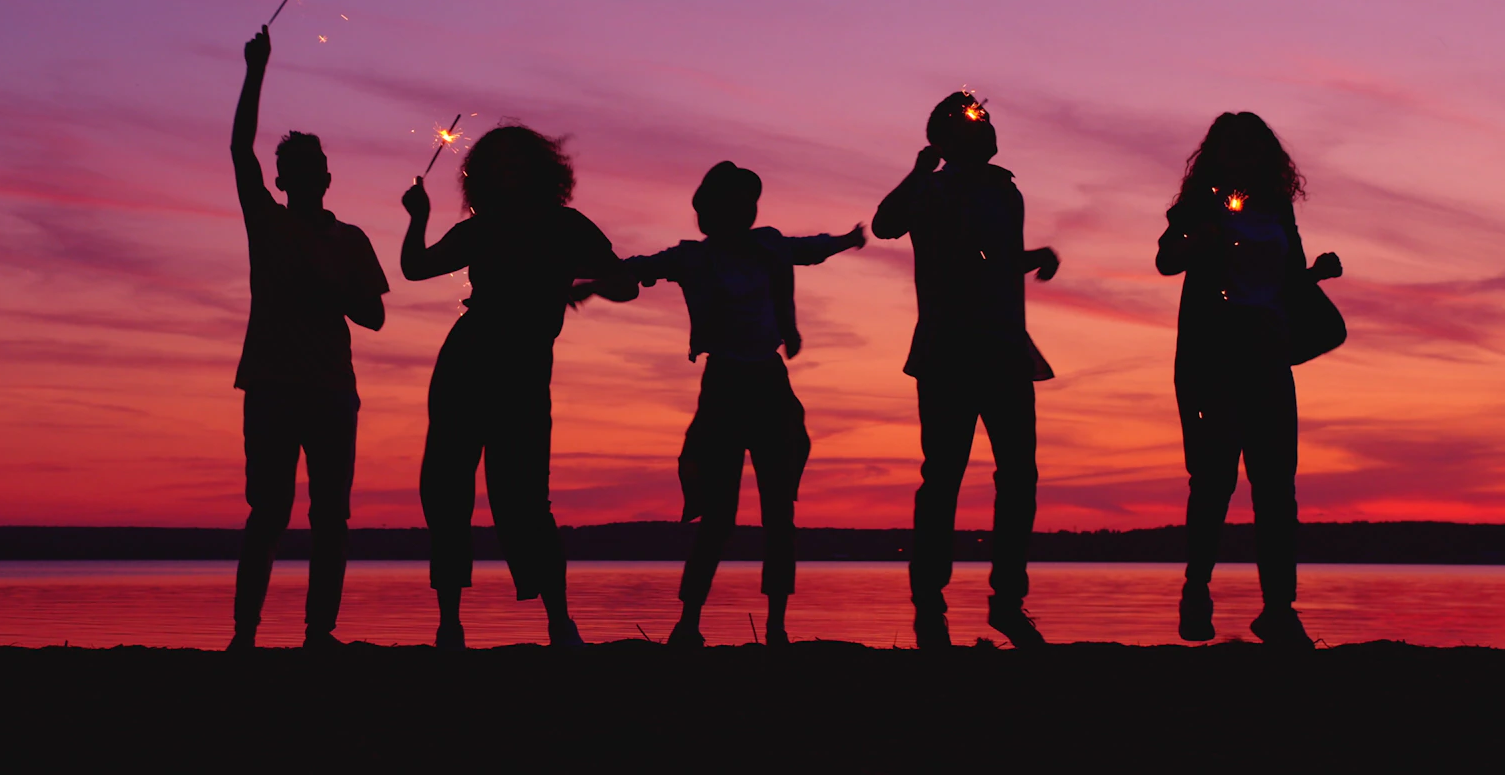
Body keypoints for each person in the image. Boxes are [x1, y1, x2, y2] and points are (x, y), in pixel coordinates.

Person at [400, 125, 637, 648]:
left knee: (526, 497)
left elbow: (626, 284)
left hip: (524, 372)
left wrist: (592, 282)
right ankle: (449, 626)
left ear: (538, 167)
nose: (507, 167)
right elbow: (415, 268)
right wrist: (416, 219)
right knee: (447, 490)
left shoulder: (566, 226)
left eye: (516, 158)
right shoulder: (480, 229)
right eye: (497, 160)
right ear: (483, 175)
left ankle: (560, 623)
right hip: (465, 363)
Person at [624, 162, 865, 647]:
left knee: (779, 512)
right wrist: (583, 279)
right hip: (725, 387)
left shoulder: (770, 245)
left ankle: (776, 627)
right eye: (728, 203)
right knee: (719, 514)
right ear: (709, 211)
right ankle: (689, 622)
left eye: (746, 202)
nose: (741, 211)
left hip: (768, 385)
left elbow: (809, 249)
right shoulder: (693, 259)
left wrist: (845, 239)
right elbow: (637, 269)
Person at [873, 91, 1060, 649]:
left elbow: (991, 261)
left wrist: (1033, 258)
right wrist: (916, 172)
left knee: (1019, 478)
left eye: (985, 122)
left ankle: (1007, 602)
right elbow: (885, 225)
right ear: (946, 141)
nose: (985, 130)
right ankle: (929, 605)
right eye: (971, 125)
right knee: (943, 478)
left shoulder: (1007, 193)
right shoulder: (929, 190)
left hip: (1005, 349)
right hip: (948, 351)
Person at [227, 27, 389, 651]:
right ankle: (244, 635)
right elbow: (239, 147)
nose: (304, 175)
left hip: (329, 392)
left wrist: (333, 293)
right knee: (267, 513)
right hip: (269, 385)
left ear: (327, 175)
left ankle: (319, 634)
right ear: (283, 177)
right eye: (292, 168)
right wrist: (256, 70)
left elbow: (374, 317)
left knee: (331, 519)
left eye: (312, 167)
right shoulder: (265, 221)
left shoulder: (350, 240)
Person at [1156, 112, 1341, 649]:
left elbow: (1281, 283)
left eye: (1252, 147)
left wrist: (1315, 275)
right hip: (1212, 356)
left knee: (1277, 489)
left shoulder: (1277, 211)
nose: (1243, 157)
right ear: (1216, 155)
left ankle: (1279, 609)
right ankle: (1196, 590)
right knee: (1213, 481)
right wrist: (1201, 240)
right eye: (1233, 147)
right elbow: (1167, 260)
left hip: (1268, 354)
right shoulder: (1196, 207)